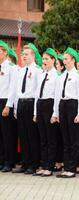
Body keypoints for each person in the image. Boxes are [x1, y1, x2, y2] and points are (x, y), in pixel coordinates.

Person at [54, 47, 79, 178]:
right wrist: (55, 113)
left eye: (66, 59)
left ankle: (71, 168)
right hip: (63, 105)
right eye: (63, 59)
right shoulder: (61, 77)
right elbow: (57, 96)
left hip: (73, 105)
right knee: (65, 139)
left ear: (73, 60)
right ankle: (66, 166)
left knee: (73, 139)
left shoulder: (78, 76)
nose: (64, 61)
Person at [13, 43, 42, 174]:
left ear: (33, 55)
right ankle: (25, 162)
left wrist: (36, 111)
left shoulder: (37, 70)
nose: (23, 56)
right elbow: (17, 90)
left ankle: (33, 164)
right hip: (21, 103)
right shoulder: (20, 70)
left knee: (32, 135)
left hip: (31, 103)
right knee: (23, 135)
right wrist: (15, 107)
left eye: (26, 54)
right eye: (23, 54)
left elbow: (37, 92)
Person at [33, 48, 59, 176]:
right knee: (42, 138)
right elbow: (37, 94)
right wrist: (35, 112)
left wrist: (55, 113)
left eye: (47, 59)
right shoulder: (41, 75)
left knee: (51, 138)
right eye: (43, 59)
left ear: (53, 60)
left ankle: (50, 166)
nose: (44, 61)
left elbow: (57, 96)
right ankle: (43, 165)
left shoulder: (56, 76)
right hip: (40, 104)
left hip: (50, 105)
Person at [0, 41, 18, 172]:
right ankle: (1, 160)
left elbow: (13, 88)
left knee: (7, 134)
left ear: (5, 52)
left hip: (6, 102)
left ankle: (9, 161)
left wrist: (8, 105)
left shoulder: (11, 67)